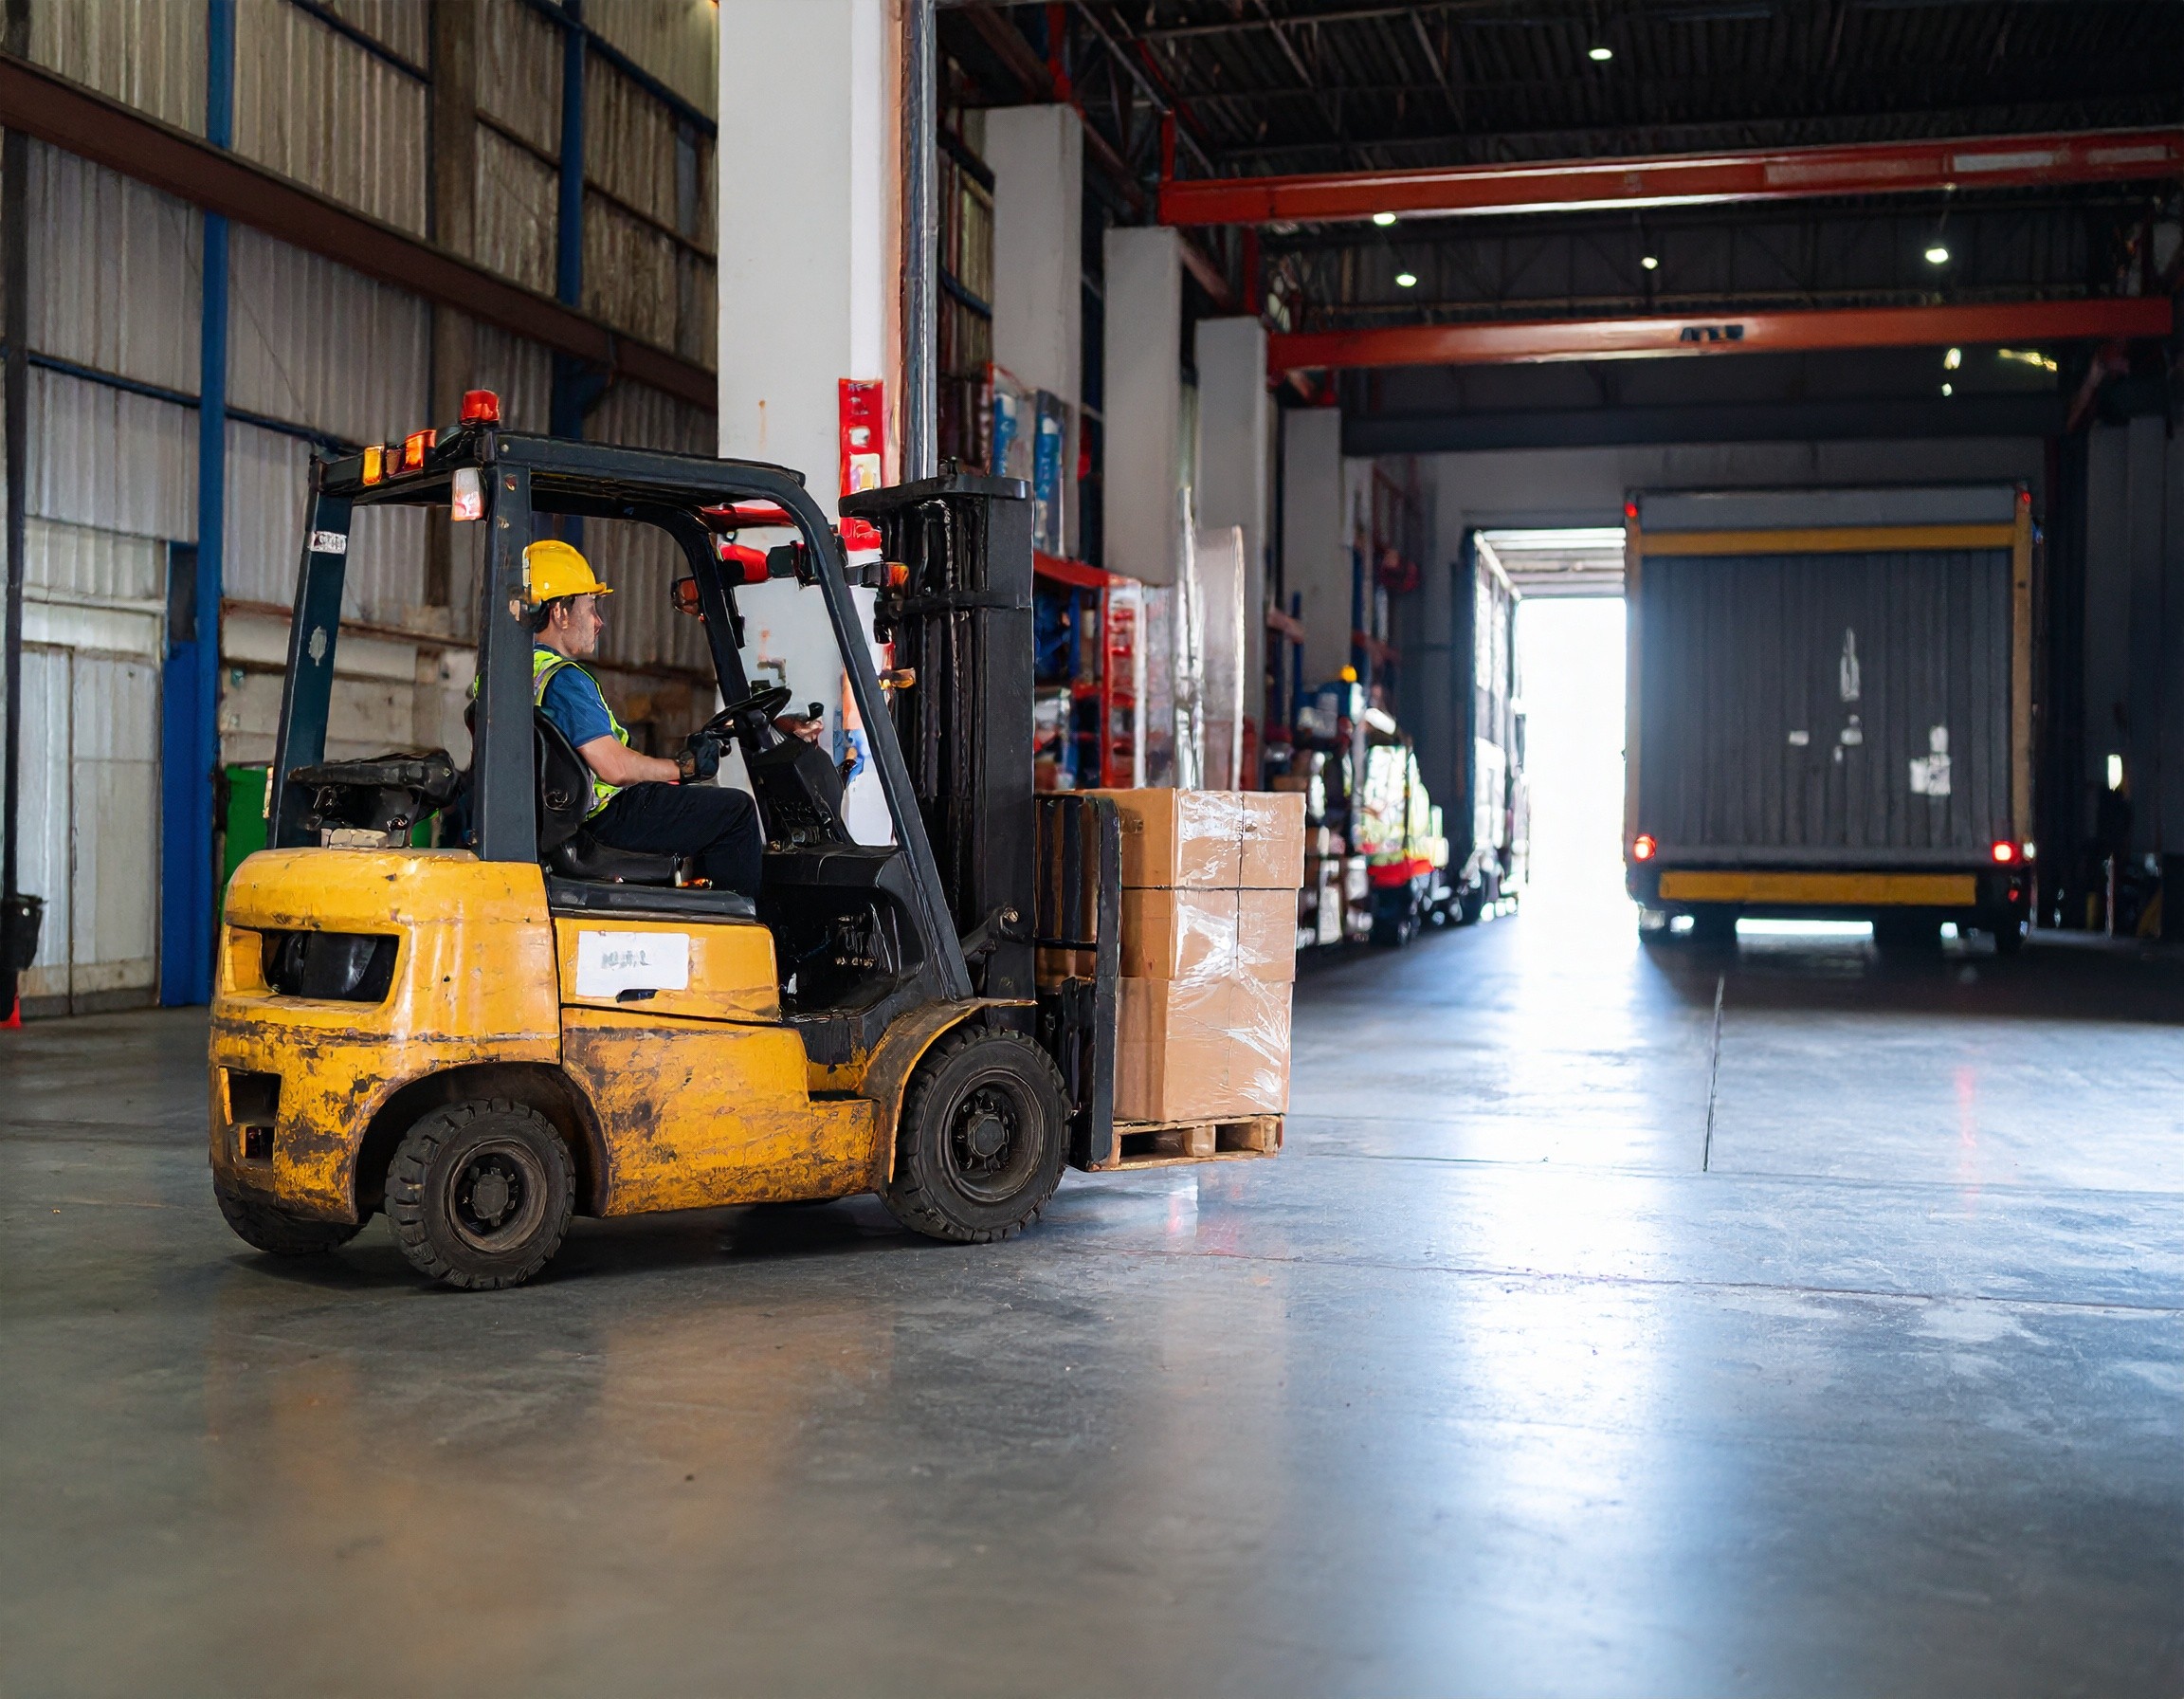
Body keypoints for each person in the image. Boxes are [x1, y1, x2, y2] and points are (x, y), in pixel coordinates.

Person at [521, 539, 819, 896]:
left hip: (562, 819)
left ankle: (701, 903)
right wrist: (683, 769)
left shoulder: (515, 673)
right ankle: (743, 929)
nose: (599, 622)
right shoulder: (565, 679)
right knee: (735, 812)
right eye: (591, 607)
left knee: (698, 813)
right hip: (600, 818)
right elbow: (614, 768)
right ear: (560, 612)